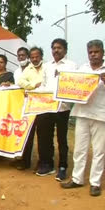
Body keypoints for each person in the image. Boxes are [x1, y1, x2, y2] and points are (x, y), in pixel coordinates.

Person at [61, 39, 105, 197]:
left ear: (102, 53)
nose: (93, 55)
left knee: (99, 151)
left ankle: (95, 183)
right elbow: (72, 85)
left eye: (96, 52)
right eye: (91, 52)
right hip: (82, 113)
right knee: (80, 149)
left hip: (101, 115)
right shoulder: (83, 69)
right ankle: (77, 179)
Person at [37, 39, 77, 179]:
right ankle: (47, 164)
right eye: (54, 48)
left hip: (63, 108)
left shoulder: (72, 66)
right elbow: (44, 85)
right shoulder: (47, 66)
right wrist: (33, 92)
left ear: (65, 50)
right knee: (45, 137)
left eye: (59, 48)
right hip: (47, 107)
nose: (56, 50)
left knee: (62, 139)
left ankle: (62, 166)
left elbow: (75, 86)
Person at [17, 47, 47, 171]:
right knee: (28, 134)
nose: (35, 59)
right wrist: (33, 86)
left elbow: (46, 83)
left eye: (37, 56)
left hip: (44, 106)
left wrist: (36, 88)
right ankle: (25, 162)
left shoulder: (47, 68)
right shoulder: (28, 70)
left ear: (41, 56)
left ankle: (42, 162)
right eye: (32, 57)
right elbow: (20, 81)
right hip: (30, 105)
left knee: (43, 135)